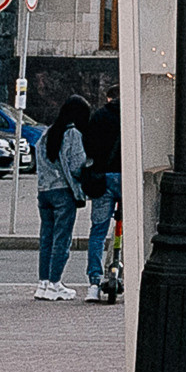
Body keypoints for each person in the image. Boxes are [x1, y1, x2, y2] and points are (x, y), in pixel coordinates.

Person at [33, 97, 89, 301]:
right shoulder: (72, 134)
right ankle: (56, 283)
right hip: (63, 192)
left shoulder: (47, 133)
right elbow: (77, 165)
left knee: (46, 238)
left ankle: (43, 283)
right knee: (61, 239)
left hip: (44, 191)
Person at [80, 88, 121, 300]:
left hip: (102, 179)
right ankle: (126, 273)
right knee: (130, 231)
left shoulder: (99, 116)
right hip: (126, 179)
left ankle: (94, 284)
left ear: (109, 98)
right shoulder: (131, 115)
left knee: (97, 231)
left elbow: (88, 147)